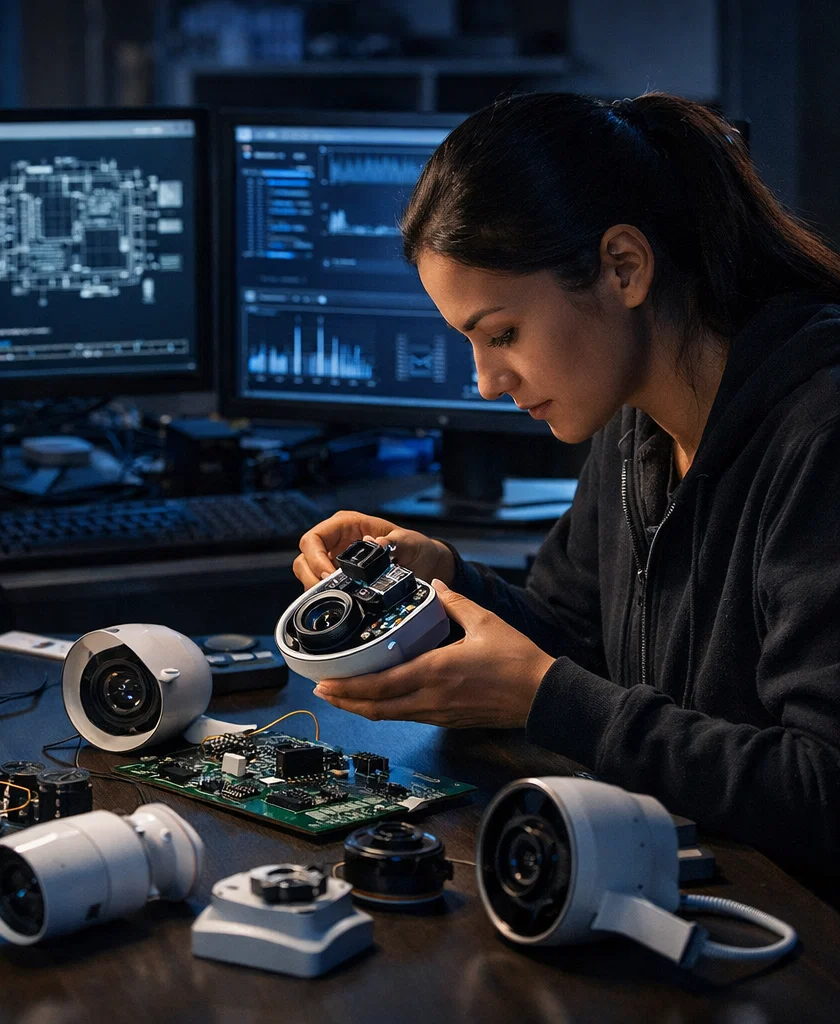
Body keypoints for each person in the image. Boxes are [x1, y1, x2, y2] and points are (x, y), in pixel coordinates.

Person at [294, 92, 840, 902]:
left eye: (502, 334)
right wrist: (445, 582)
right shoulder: (632, 421)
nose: (485, 384)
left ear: (623, 266)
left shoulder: (820, 435)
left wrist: (547, 698)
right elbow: (581, 642)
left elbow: (823, 789)